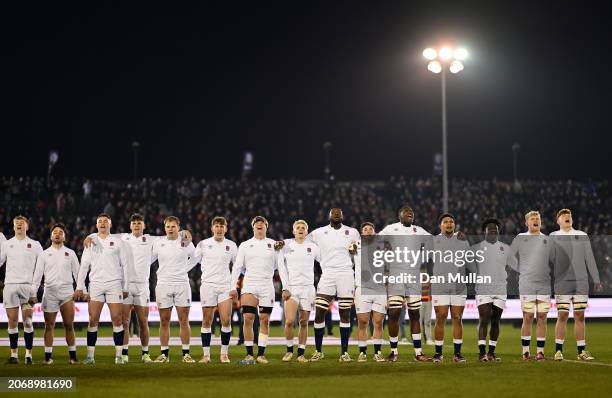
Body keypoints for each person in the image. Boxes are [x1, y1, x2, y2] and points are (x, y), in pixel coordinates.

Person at [75, 213, 132, 364]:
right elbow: (84, 266)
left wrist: (125, 286)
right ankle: (90, 356)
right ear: (96, 225)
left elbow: (125, 265)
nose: (102, 223)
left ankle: (119, 356)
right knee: (93, 319)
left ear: (110, 225)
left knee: (117, 319)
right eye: (99, 221)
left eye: (105, 221)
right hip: (96, 284)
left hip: (114, 284)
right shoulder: (91, 241)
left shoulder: (118, 242)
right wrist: (79, 286)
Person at [306, 208, 360, 362]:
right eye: (333, 212)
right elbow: (302, 242)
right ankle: (318, 350)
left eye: (339, 212)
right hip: (327, 273)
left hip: (346, 273)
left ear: (343, 216)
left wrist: (355, 250)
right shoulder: (318, 232)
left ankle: (344, 352)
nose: (336, 214)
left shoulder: (353, 232)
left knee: (345, 313)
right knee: (320, 312)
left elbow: (360, 250)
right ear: (329, 216)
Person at [379, 206, 432, 362]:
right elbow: (375, 240)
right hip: (396, 275)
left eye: (412, 212)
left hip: (414, 277)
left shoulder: (419, 230)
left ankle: (418, 353)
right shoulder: (392, 228)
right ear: (399, 215)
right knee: (394, 314)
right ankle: (394, 351)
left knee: (415, 314)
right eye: (406, 212)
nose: (410, 213)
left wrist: (423, 257)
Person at [551, 209, 602, 361]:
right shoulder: (553, 236)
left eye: (570, 216)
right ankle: (558, 351)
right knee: (563, 315)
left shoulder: (582, 235)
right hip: (562, 282)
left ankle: (581, 351)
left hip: (581, 281)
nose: (567, 217)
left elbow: (590, 259)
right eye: (563, 216)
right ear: (558, 221)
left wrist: (596, 278)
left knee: (580, 315)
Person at [188, 216, 237, 363]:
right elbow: (193, 262)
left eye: (222, 226)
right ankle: (206, 355)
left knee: (226, 320)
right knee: (207, 320)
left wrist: (235, 285)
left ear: (226, 229)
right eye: (217, 226)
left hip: (225, 287)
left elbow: (237, 266)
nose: (219, 228)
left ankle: (224, 354)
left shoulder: (232, 245)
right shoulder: (203, 244)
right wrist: (178, 270)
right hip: (208, 285)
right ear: (212, 228)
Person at [29, 223, 79, 364]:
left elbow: (78, 273)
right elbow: (37, 276)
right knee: (49, 326)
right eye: (55, 232)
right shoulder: (44, 254)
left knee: (69, 325)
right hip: (49, 292)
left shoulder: (71, 253)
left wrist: (82, 289)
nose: (57, 234)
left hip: (66, 292)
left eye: (60, 232)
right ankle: (48, 357)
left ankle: (73, 357)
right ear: (51, 236)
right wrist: (33, 293)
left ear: (64, 237)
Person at [230, 216, 277, 364]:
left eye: (262, 223)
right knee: (248, 318)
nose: (259, 225)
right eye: (256, 223)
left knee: (264, 320)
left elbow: (278, 265)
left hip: (266, 285)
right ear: (253, 227)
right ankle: (249, 354)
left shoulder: (273, 244)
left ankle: (261, 354)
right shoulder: (244, 245)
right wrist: (232, 287)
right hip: (250, 285)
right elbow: (238, 266)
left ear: (266, 227)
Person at [509, 210, 555, 361]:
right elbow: (510, 257)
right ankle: (526, 351)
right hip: (527, 284)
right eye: (533, 218)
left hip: (544, 285)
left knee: (542, 317)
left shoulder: (547, 240)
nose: (536, 220)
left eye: (538, 218)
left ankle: (540, 351)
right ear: (526, 222)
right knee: (528, 316)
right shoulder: (520, 238)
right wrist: (520, 268)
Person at [151, 216, 196, 363]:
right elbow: (148, 261)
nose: (170, 229)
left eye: (173, 226)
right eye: (168, 226)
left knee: (184, 320)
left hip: (182, 284)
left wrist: (184, 270)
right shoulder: (158, 243)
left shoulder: (185, 241)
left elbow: (195, 258)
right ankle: (164, 354)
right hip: (163, 284)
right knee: (164, 320)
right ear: (164, 228)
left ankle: (186, 354)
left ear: (178, 227)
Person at [470, 218, 516, 362]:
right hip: (483, 289)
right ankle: (482, 352)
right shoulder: (476, 248)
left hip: (500, 289)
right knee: (484, 319)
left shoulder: (506, 248)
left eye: (495, 229)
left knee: (496, 321)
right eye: (490, 229)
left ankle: (491, 352)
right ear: (484, 232)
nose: (493, 231)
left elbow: (516, 266)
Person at [0, 215, 43, 364]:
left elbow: (41, 267)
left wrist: (34, 289)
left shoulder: (35, 245)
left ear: (27, 226)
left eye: (22, 223)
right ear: (13, 227)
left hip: (27, 287)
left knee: (28, 321)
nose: (19, 225)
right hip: (10, 286)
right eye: (16, 223)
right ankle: (14, 355)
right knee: (12, 321)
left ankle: (28, 355)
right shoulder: (7, 244)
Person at [277, 219, 320, 363]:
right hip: (293, 289)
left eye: (303, 228)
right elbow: (281, 268)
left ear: (307, 232)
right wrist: (285, 287)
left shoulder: (313, 247)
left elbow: (325, 263)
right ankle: (289, 351)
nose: (301, 229)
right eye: (298, 227)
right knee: (289, 321)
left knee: (303, 322)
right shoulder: (287, 246)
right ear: (293, 231)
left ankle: (301, 353)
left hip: (308, 289)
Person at [431, 213, 470, 363]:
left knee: (457, 318)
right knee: (440, 318)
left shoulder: (462, 240)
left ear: (454, 225)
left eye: (451, 222)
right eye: (446, 222)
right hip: (440, 284)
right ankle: (438, 353)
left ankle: (457, 354)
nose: (449, 224)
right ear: (440, 225)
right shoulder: (434, 241)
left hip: (458, 285)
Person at [352, 222, 386, 362]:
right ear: (361, 233)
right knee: (363, 322)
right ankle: (363, 353)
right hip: (362, 288)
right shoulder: (355, 245)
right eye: (365, 229)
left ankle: (378, 352)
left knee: (378, 322)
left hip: (380, 288)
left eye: (370, 229)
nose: (367, 231)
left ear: (374, 232)